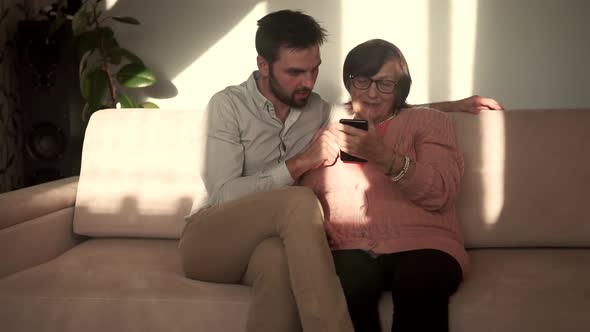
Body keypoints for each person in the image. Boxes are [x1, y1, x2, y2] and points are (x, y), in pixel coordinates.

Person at [179, 10, 500, 332]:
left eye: (314, 70)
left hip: (270, 241)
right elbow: (222, 196)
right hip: (213, 235)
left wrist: (454, 105)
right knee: (299, 200)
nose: (307, 82)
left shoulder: (316, 109)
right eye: (294, 72)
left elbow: (379, 107)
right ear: (263, 65)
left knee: (280, 264)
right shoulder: (228, 106)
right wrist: (301, 163)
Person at [300, 39, 468, 332]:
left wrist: (383, 156)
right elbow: (307, 193)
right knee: (345, 286)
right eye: (363, 81)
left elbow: (441, 192)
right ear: (349, 81)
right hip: (349, 245)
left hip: (425, 243)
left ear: (400, 88)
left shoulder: (429, 122)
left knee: (418, 285)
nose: (372, 93)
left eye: (385, 84)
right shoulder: (329, 122)